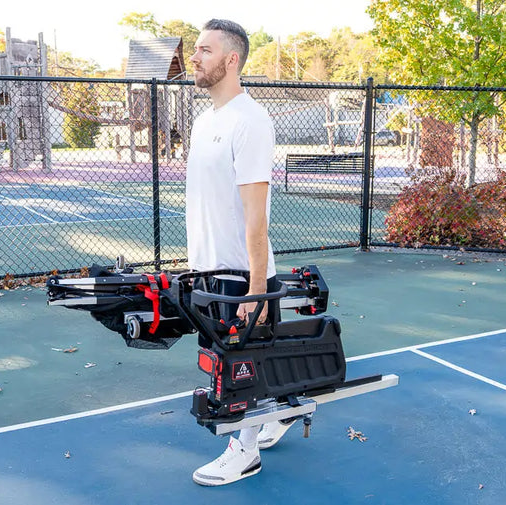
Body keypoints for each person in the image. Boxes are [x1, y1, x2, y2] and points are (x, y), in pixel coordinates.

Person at [186, 18, 295, 487]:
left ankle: (243, 451)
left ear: (232, 60)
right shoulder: (204, 121)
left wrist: (256, 288)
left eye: (206, 51)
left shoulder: (250, 120)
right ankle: (278, 415)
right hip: (208, 267)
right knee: (231, 360)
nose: (195, 57)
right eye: (196, 49)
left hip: (239, 274)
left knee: (234, 369)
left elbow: (256, 216)